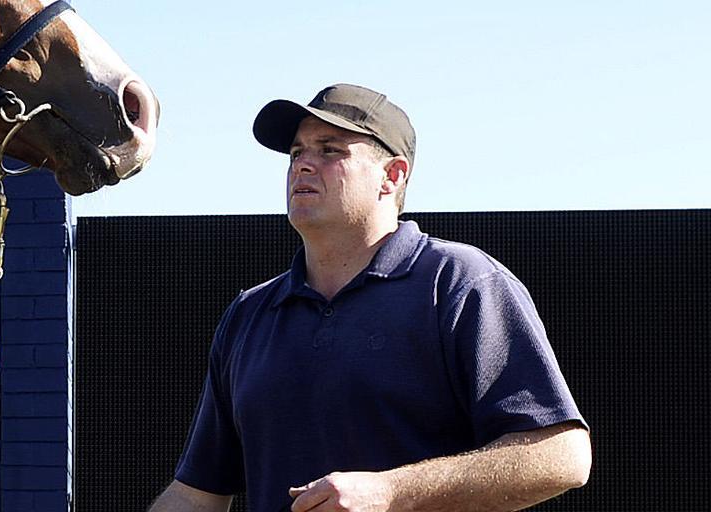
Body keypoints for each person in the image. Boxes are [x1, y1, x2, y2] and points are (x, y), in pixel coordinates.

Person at [150, 84, 591, 512]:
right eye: (296, 152)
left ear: (391, 175)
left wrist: (391, 492)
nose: (303, 165)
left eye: (329, 150)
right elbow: (196, 495)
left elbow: (562, 455)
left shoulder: (460, 282)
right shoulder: (251, 313)